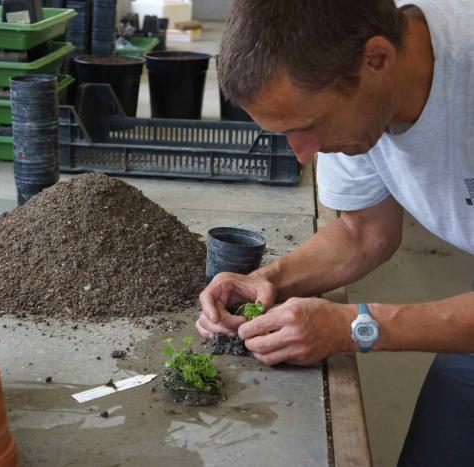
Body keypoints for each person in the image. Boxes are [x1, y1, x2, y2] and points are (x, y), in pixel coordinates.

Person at [195, 0, 474, 465]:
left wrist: (356, 326)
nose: (303, 155)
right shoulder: (360, 84)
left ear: (378, 60)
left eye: (309, 126)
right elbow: (365, 231)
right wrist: (271, 280)